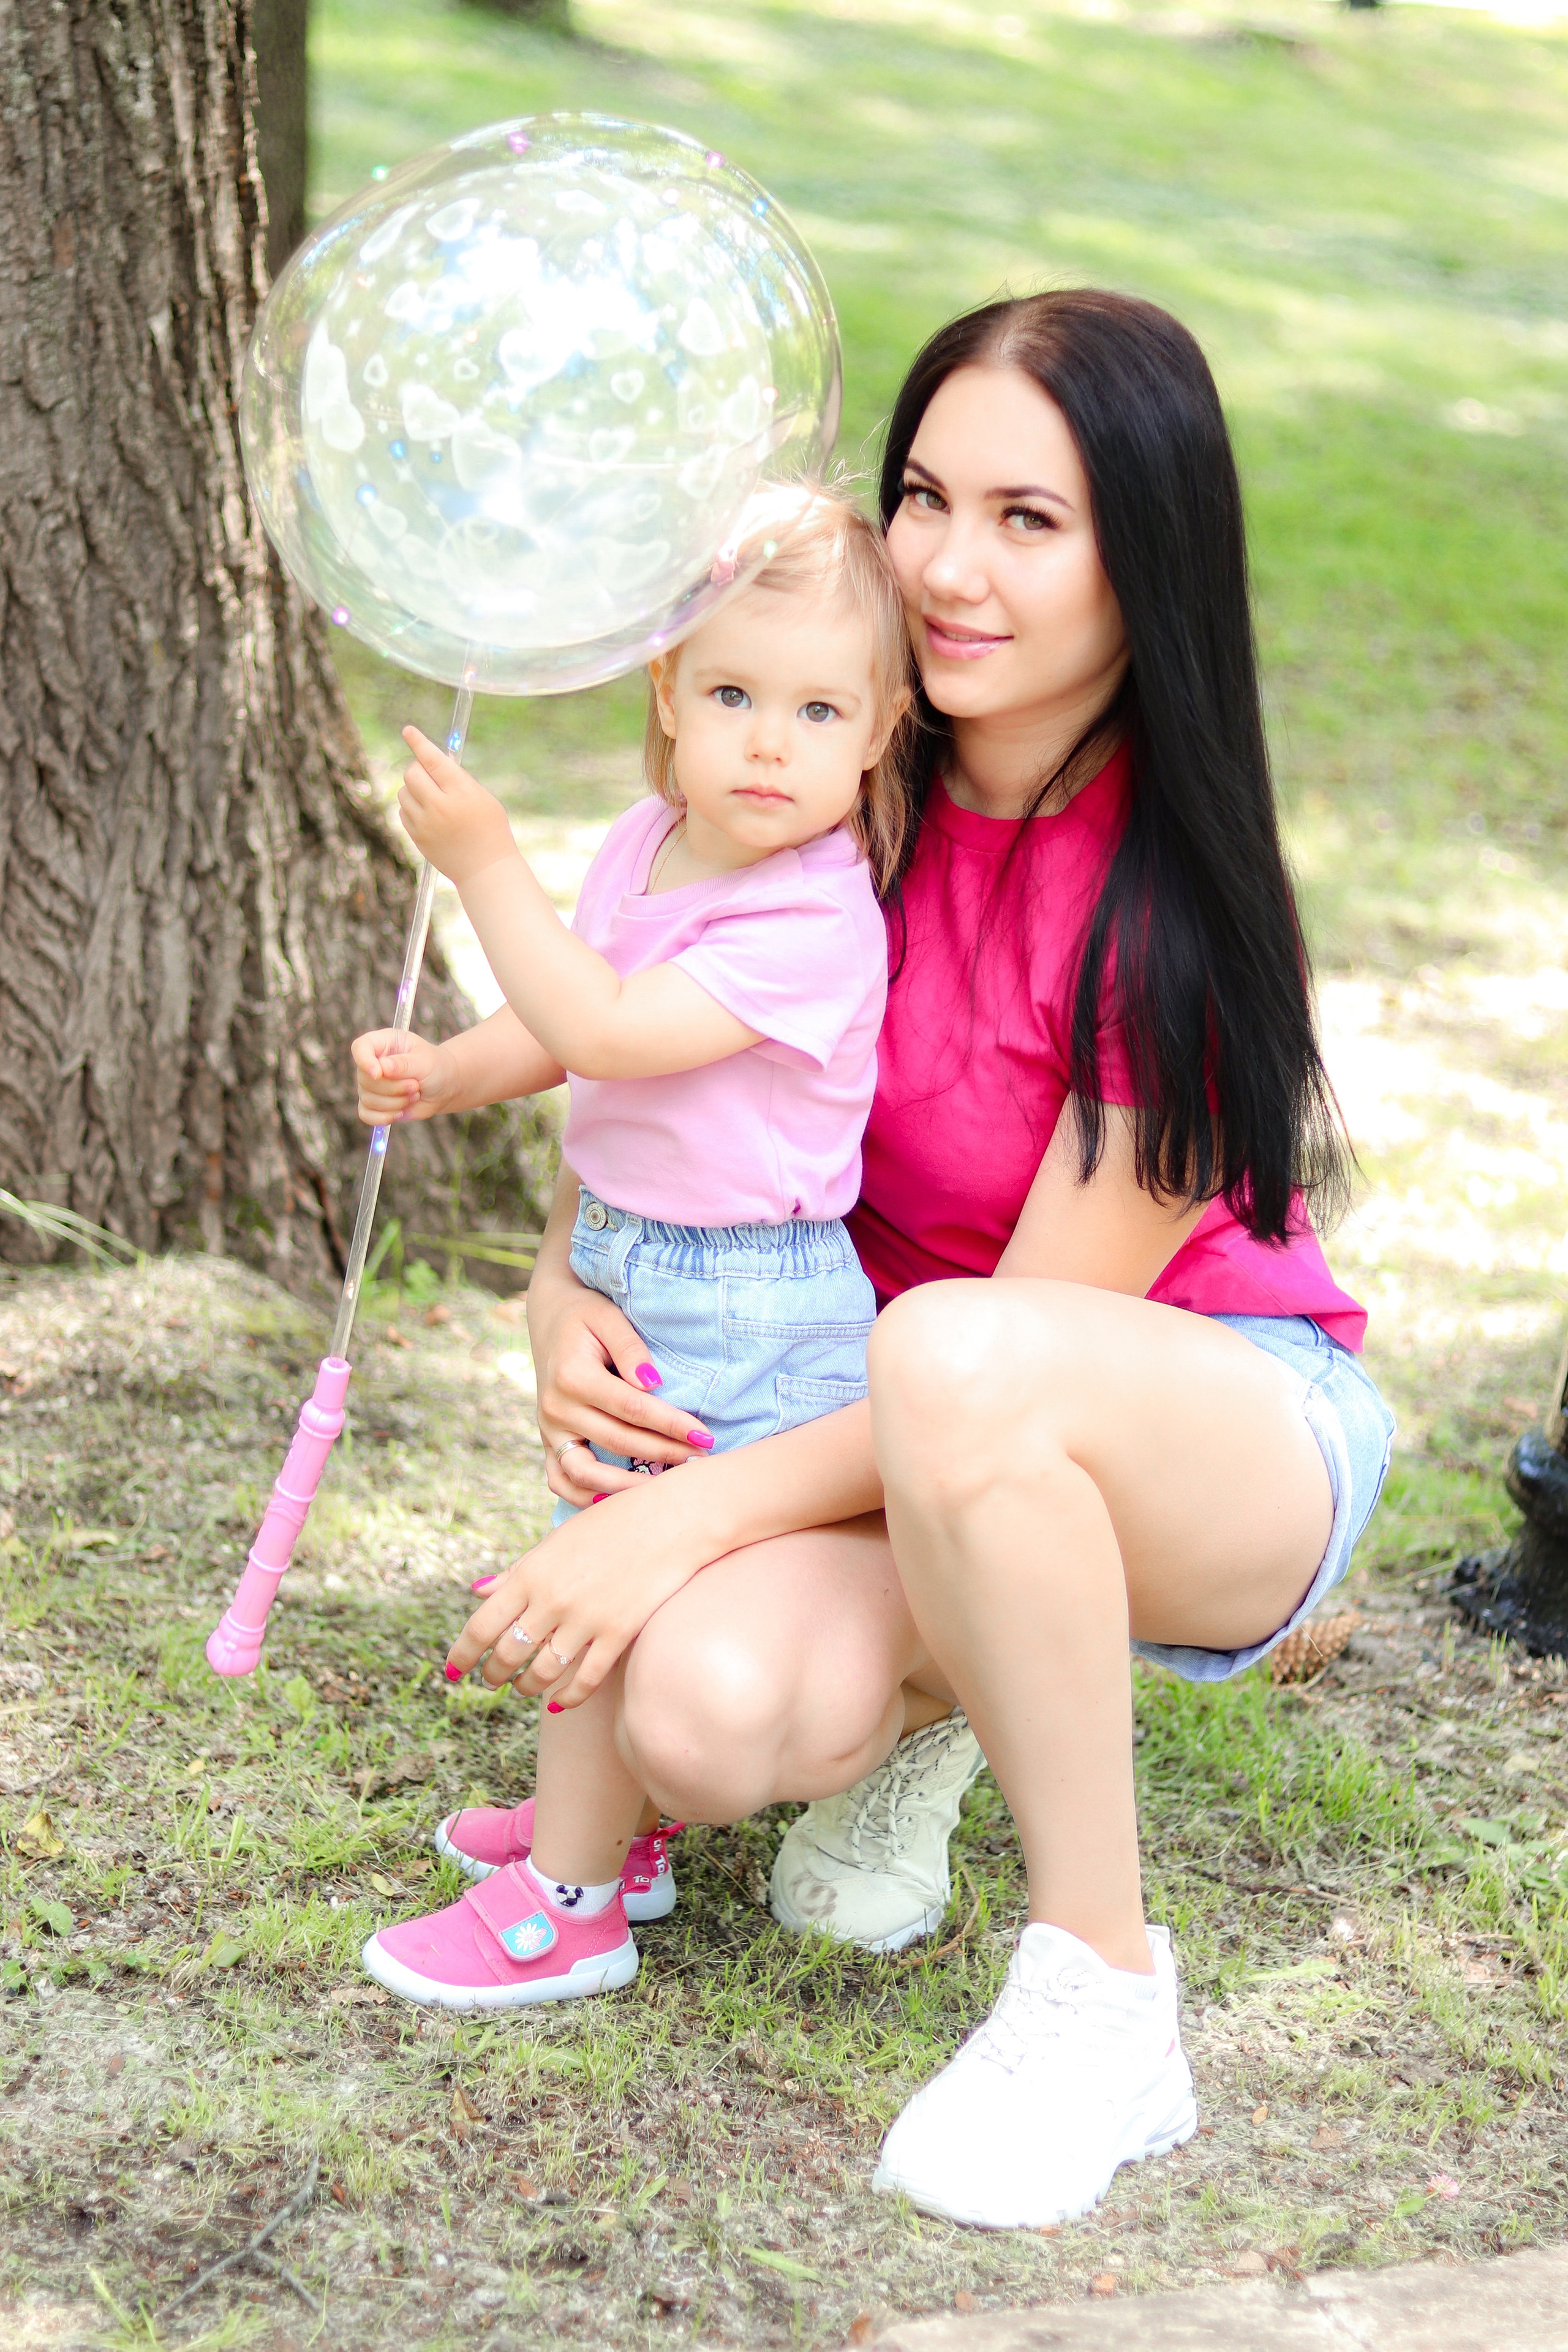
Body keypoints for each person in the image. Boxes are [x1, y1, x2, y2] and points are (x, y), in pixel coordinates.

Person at [436, 289, 1395, 2228]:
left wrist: (665, 1524)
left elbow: (1016, 1342)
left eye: (1029, 521)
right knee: (700, 1722)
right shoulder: (817, 794)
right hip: (892, 1401)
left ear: (1149, 553)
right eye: (923, 497)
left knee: (958, 1367)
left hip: (1205, 1426)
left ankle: (1102, 1996)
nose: (949, 569)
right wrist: (561, 1287)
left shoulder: (1186, 909)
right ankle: (965, 1683)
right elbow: (656, 1078)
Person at [351, 487, 915, 2009]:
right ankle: (615, 1833)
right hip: (636, 1266)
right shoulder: (648, 842)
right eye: (730, 694)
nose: (766, 744)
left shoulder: (814, 918)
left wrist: (481, 865)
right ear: (666, 693)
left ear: (877, 734)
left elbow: (610, 1024)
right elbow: (566, 1025)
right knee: (598, 1549)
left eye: (816, 710)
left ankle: (568, 1907)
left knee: (606, 1570)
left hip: (750, 1307)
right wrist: (452, 1073)